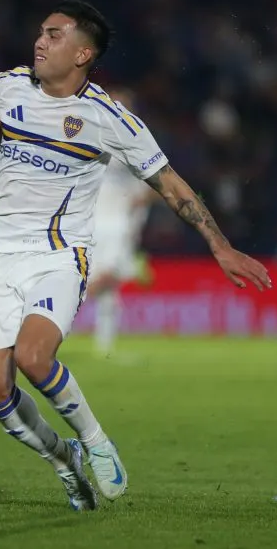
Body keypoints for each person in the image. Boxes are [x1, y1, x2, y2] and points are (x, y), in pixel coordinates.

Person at [0, 0, 271, 511]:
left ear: (82, 54)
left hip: (59, 256)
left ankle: (97, 442)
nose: (40, 41)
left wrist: (220, 244)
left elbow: (169, 184)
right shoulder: (9, 84)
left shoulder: (109, 119)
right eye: (40, 32)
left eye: (53, 35)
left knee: (34, 358)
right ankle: (64, 461)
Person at [87, 87, 158, 357]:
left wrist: (143, 198)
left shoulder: (135, 140)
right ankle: (61, 304)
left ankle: (104, 348)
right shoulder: (95, 138)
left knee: (110, 286)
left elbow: (150, 184)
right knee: (105, 280)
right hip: (98, 222)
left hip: (117, 224)